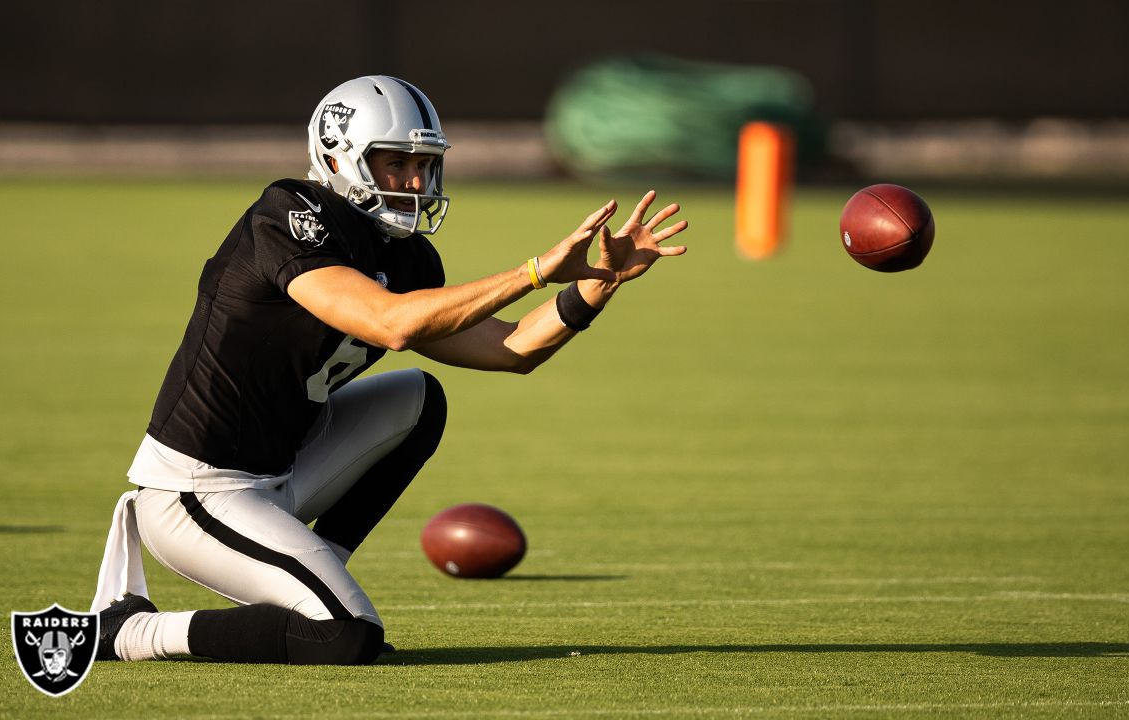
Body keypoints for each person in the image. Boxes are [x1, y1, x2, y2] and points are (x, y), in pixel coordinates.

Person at [88, 75, 688, 665]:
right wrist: (534, 270)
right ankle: (131, 631)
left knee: (419, 400)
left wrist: (597, 282)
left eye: (423, 165)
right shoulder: (288, 215)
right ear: (337, 157)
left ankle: (312, 571)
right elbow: (389, 323)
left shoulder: (404, 255)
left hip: (284, 471)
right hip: (198, 492)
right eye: (394, 163)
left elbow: (515, 350)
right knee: (348, 637)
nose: (414, 181)